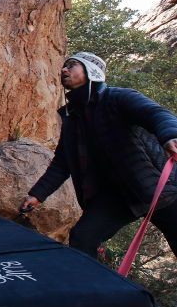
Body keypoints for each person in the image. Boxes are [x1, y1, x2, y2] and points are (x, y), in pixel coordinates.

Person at [20, 52, 177, 258]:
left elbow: (155, 114)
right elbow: (61, 164)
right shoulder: (71, 118)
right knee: (82, 238)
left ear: (90, 70)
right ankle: (92, 289)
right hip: (115, 197)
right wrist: (37, 194)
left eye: (72, 65)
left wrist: (170, 135)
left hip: (158, 189)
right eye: (64, 67)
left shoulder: (118, 97)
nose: (63, 70)